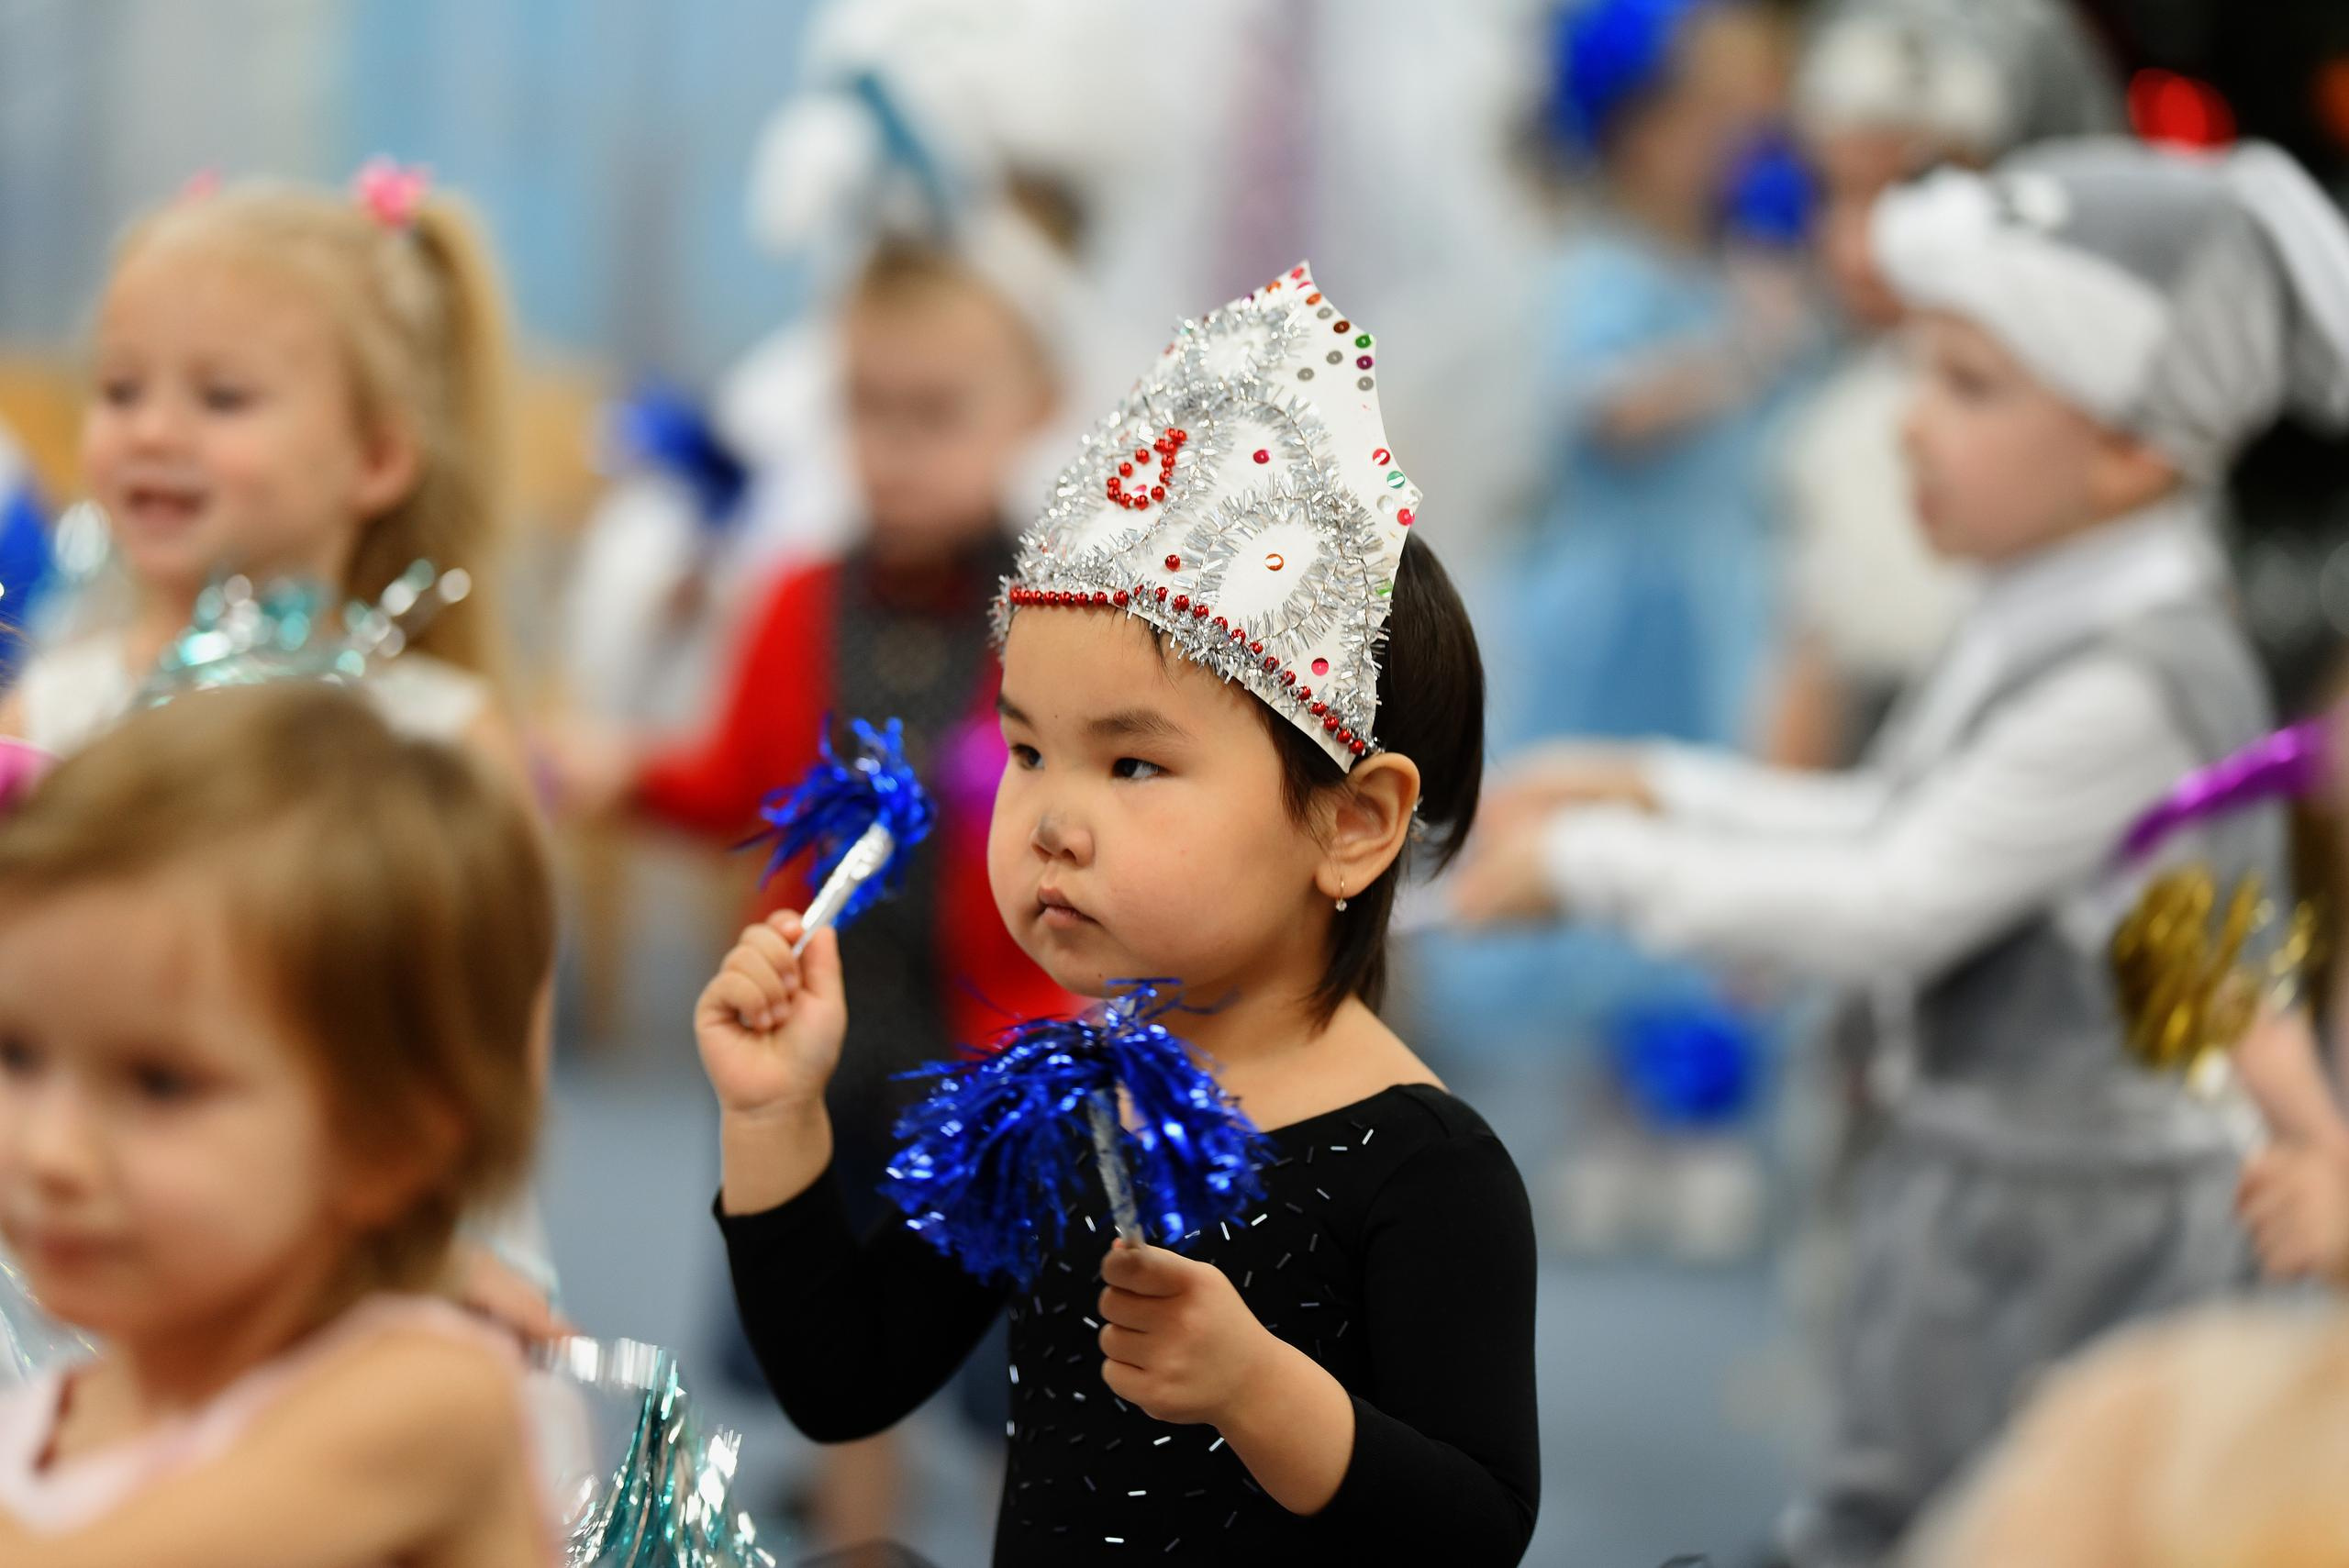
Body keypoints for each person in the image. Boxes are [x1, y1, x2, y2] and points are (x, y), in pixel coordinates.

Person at [1453, 139, 2349, 1564]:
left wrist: (1595, 871)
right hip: (2002, 1197)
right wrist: (1652, 790)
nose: (1908, 428)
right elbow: (1898, 812)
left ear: (2132, 445)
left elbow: (1899, 896)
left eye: (1970, 387)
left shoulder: (2135, 682)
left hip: (2074, 1233)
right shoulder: (2053, 606)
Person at [700, 264, 1538, 1563]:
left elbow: (1474, 1532)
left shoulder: (1425, 1167)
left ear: (1352, 822)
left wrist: (1263, 1393)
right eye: (1027, 750)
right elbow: (843, 1377)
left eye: (1132, 764)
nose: (1050, 819)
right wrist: (774, 1114)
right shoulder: (1050, 1107)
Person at [0, 683, 558, 1564]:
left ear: (389, 1144)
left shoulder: (422, 1397)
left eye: (158, 1084)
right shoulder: (58, 1411)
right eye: (17, 1056)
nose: (48, 1152)